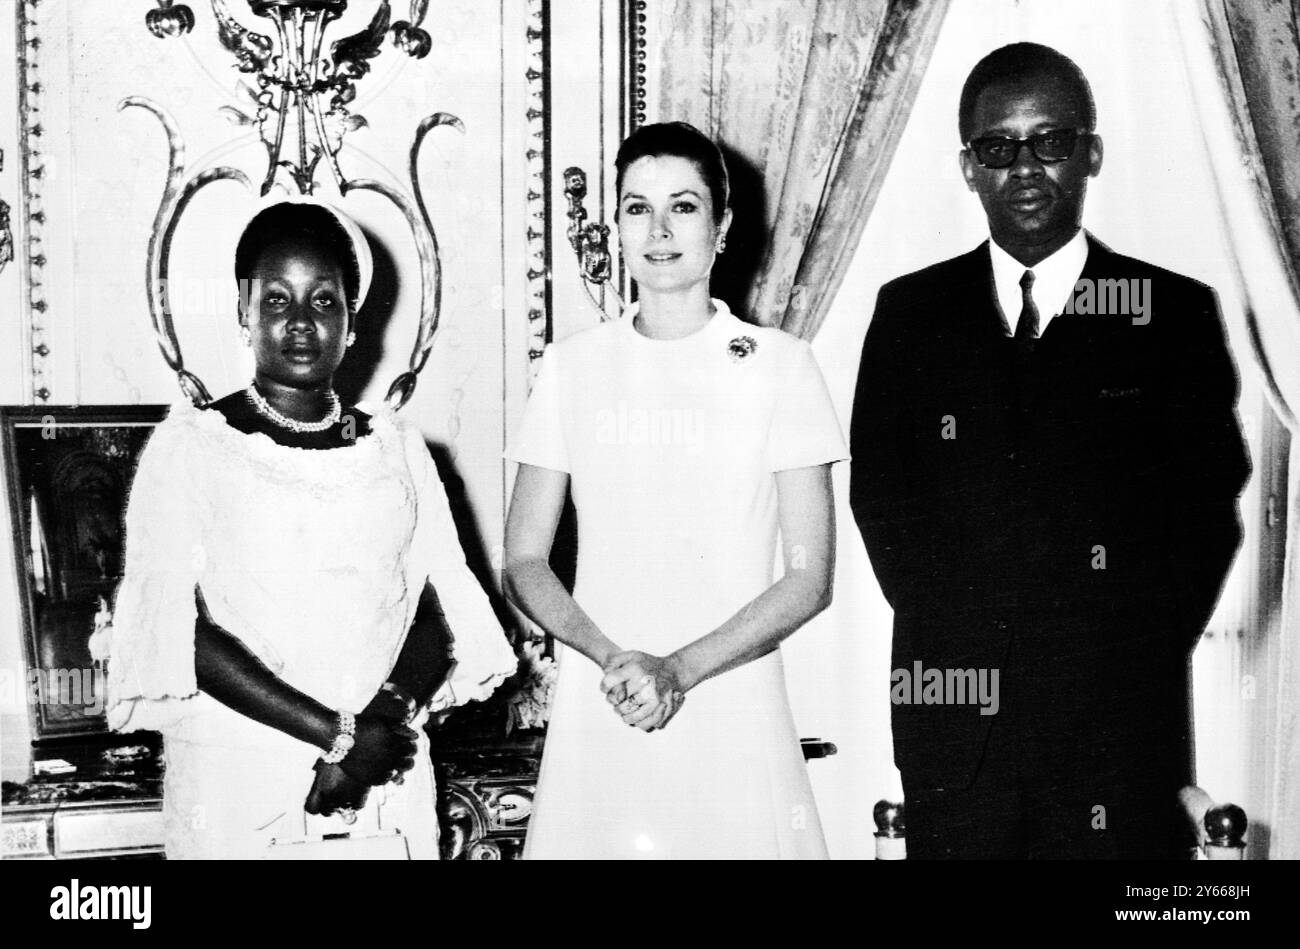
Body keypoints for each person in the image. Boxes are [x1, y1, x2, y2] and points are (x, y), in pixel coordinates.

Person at [850, 43, 1250, 859]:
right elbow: (882, 502)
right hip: (955, 734)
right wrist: (960, 636)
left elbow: (1207, 512)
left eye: (1051, 141)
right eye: (998, 147)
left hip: (1119, 733)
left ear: (1091, 152)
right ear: (968, 167)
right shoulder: (910, 315)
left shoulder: (1166, 312)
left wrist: (1122, 648)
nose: (1025, 166)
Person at [96, 198, 517, 859]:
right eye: (277, 300)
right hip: (243, 772)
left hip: (384, 770)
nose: (299, 322)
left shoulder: (399, 449)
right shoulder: (194, 448)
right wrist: (335, 737)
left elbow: (443, 602)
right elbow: (178, 627)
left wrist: (376, 726)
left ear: (352, 321)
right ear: (244, 307)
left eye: (323, 302)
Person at [503, 122, 847, 859]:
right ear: (616, 226)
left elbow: (808, 575)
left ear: (721, 227)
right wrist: (612, 658)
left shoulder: (780, 367)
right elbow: (525, 559)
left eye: (683, 207)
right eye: (637, 207)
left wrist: (679, 670)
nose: (658, 230)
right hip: (607, 699)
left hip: (731, 701)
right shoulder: (572, 367)